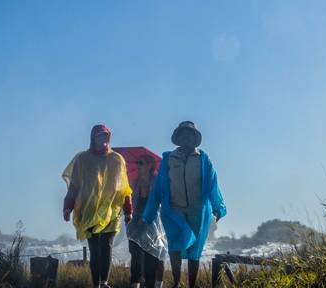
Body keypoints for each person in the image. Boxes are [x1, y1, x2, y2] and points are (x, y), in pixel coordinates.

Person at [143, 121, 226, 288]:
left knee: (195, 249)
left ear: (195, 139)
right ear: (178, 138)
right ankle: (176, 282)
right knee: (174, 244)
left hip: (198, 209)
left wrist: (218, 207)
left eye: (190, 135)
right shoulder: (169, 159)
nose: (186, 138)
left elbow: (212, 184)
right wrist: (150, 212)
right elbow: (159, 186)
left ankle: (192, 285)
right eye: (183, 135)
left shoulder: (203, 159)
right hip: (174, 209)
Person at [62, 124, 133, 288]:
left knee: (106, 245)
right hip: (88, 210)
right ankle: (96, 284)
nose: (103, 140)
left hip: (110, 210)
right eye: (99, 136)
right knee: (94, 248)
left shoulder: (116, 159)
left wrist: (128, 210)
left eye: (105, 137)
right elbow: (74, 186)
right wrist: (67, 207)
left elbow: (124, 188)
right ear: (93, 139)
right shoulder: (82, 159)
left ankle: (104, 282)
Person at [127, 155, 168, 288]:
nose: (138, 165)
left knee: (151, 257)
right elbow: (127, 200)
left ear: (150, 165)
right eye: (137, 162)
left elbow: (163, 199)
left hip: (152, 223)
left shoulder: (157, 181)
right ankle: (135, 285)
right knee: (135, 256)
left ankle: (150, 285)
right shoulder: (133, 182)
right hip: (135, 222)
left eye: (141, 162)